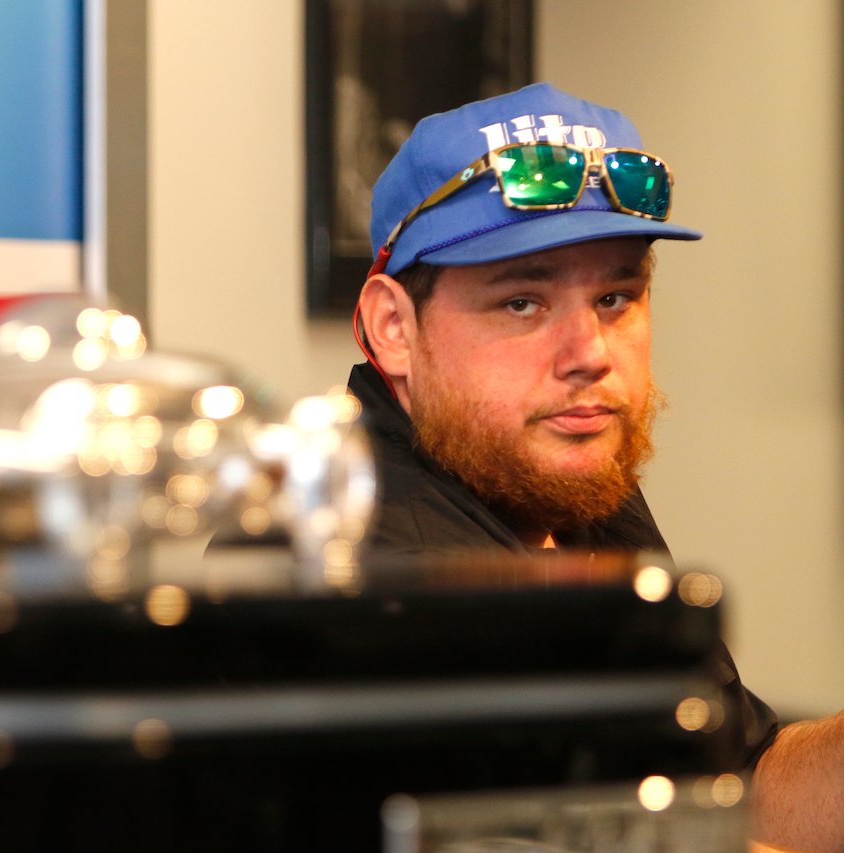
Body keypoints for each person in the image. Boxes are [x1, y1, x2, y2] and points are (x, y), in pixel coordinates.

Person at [352, 82, 844, 851]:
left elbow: (731, 783)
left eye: (617, 296)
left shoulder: (561, 478)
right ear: (393, 328)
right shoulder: (362, 562)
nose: (590, 357)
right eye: (523, 303)